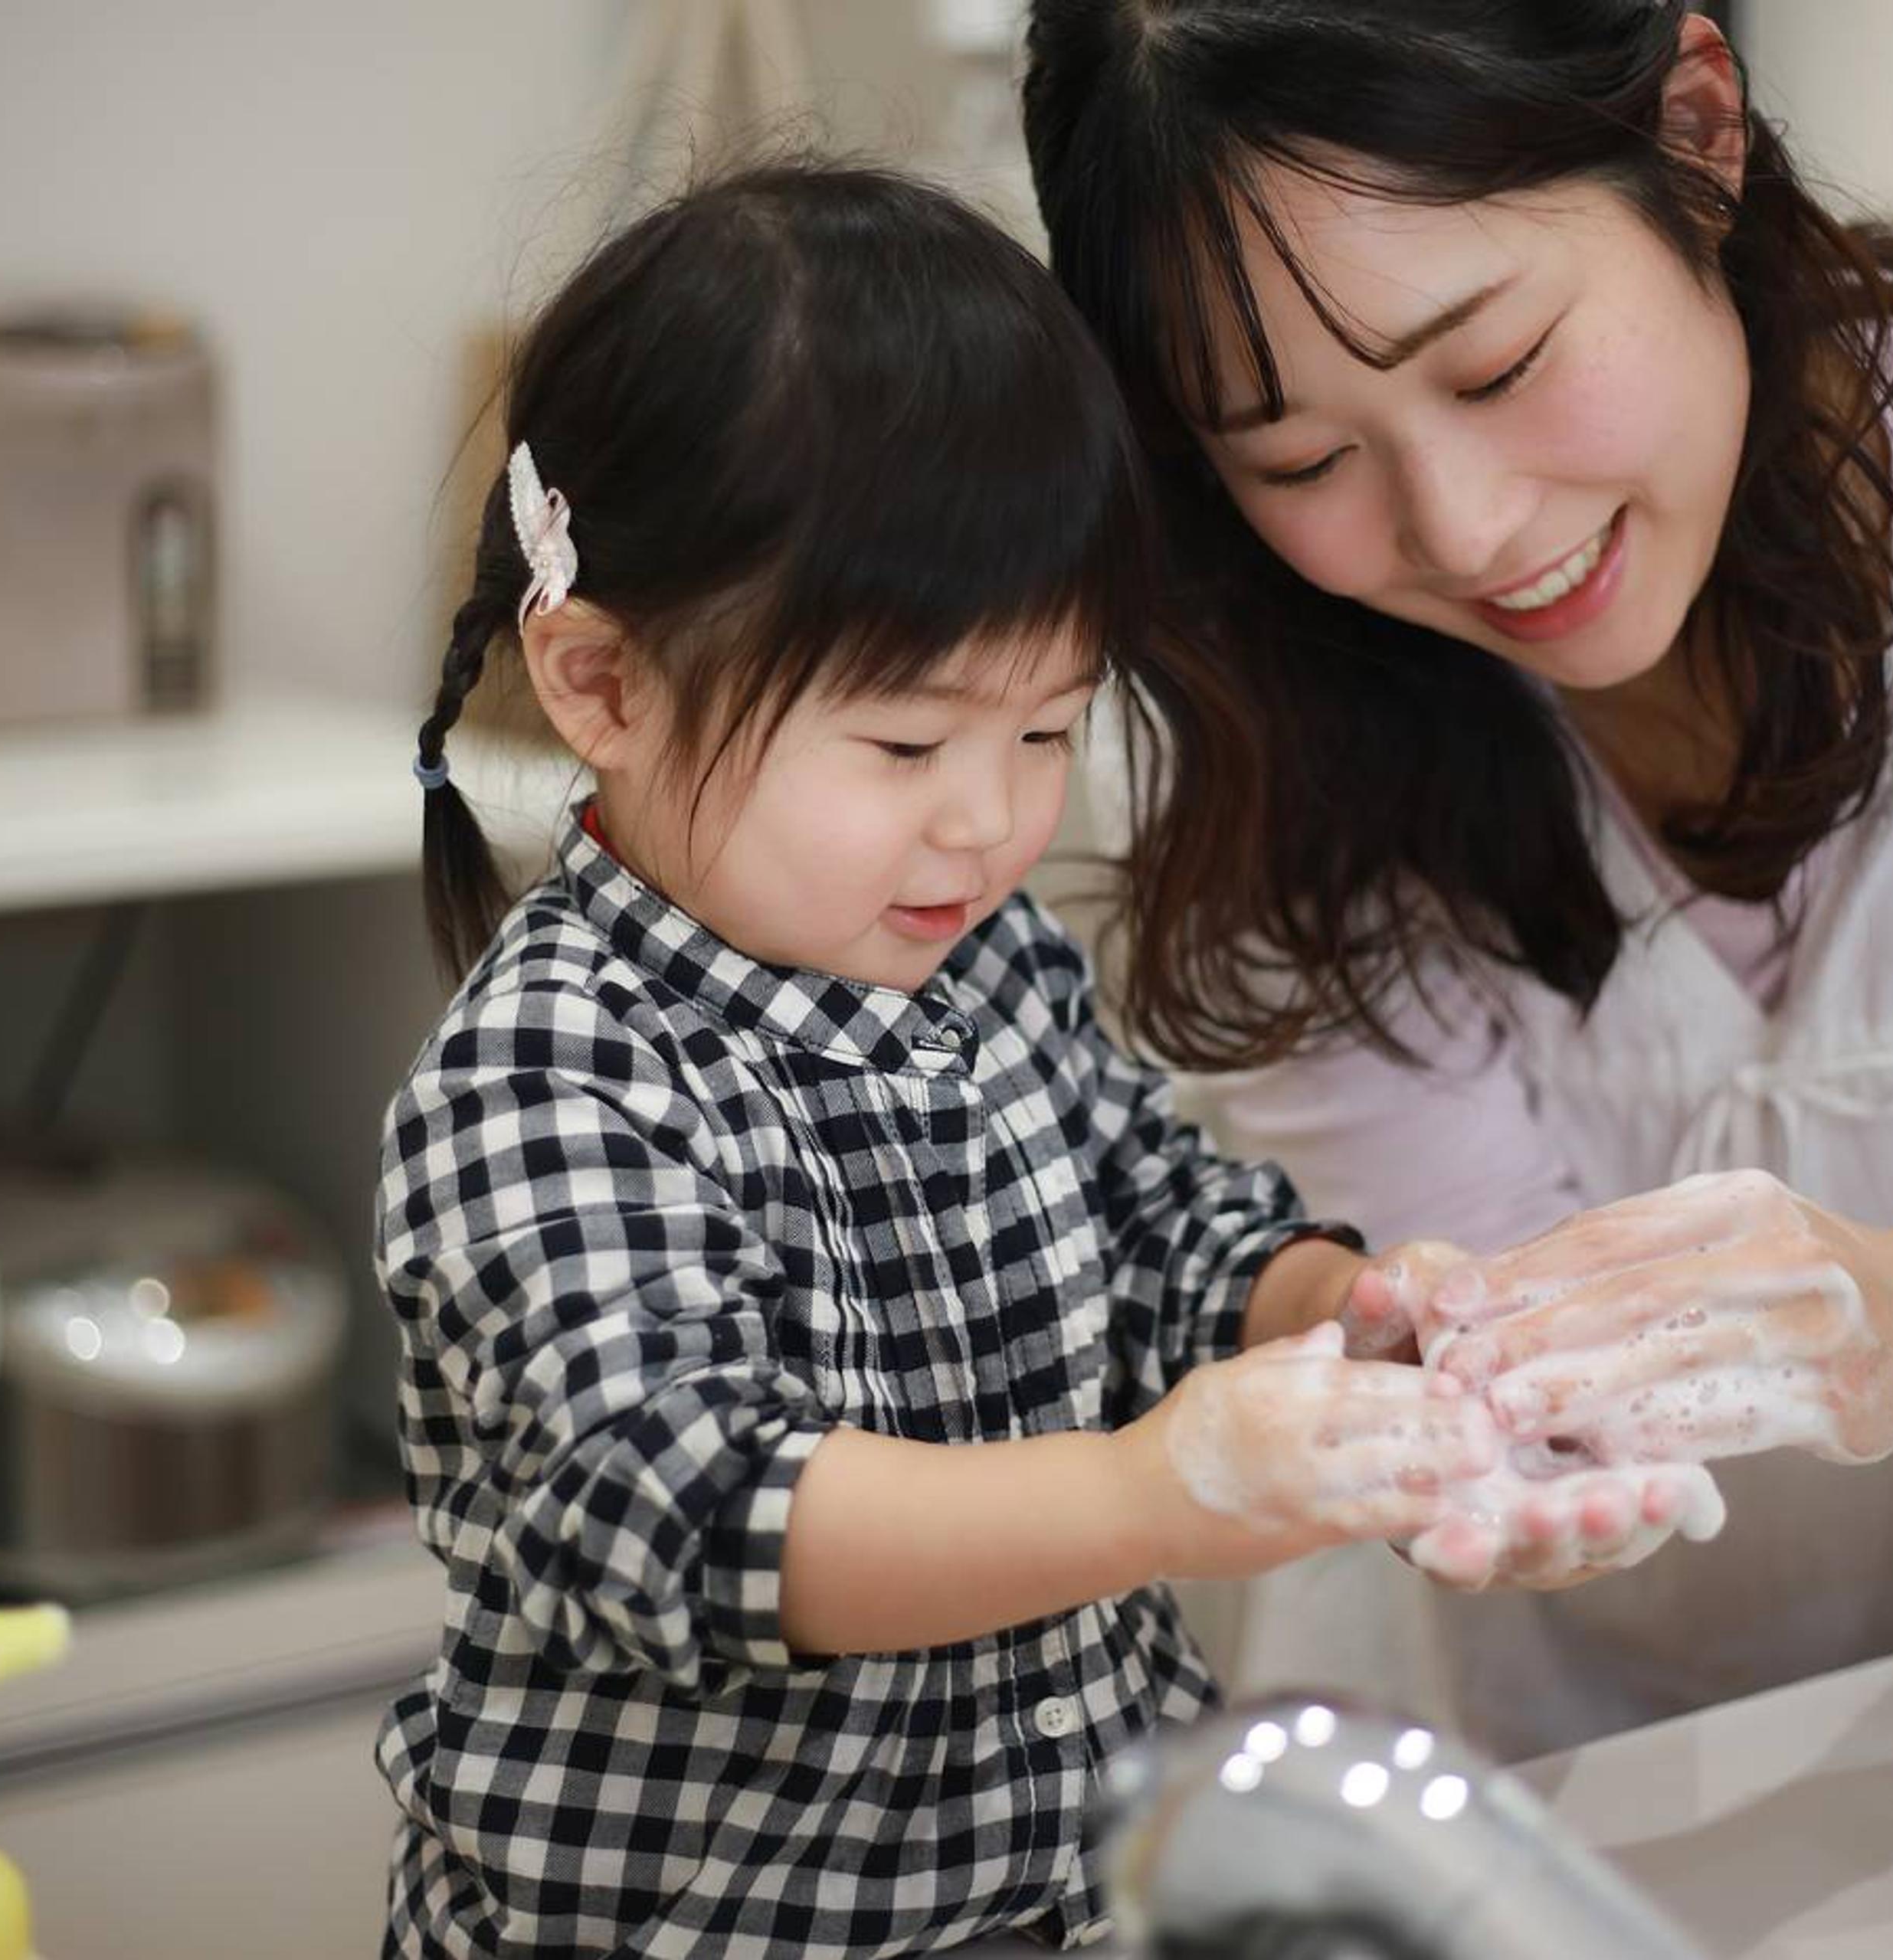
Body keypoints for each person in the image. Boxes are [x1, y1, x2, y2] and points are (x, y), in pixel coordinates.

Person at [1020, 0, 1893, 1760]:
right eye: (1302, 462)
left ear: (1696, 130)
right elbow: (1485, 1336)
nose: (1464, 529)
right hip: (1509, 1749)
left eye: (1497, 364)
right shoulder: (1237, 716)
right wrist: (1460, 1403)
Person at [372, 162, 1698, 1958]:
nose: (990, 820)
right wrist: (1155, 1490)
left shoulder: (981, 959)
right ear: (602, 683)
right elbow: (686, 1507)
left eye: (1049, 724)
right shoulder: (548, 1081)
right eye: (906, 740)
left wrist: (1349, 1317)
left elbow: (1155, 1226)